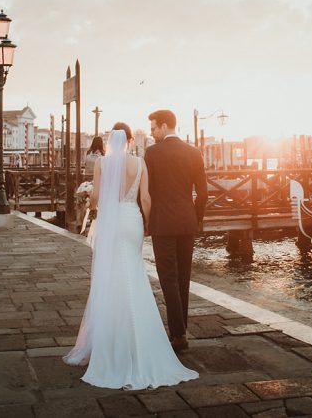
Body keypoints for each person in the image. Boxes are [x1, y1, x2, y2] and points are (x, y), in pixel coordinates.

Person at [63, 124, 197, 389]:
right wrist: (147, 223)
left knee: (110, 276)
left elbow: (98, 198)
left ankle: (110, 341)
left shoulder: (102, 162)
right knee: (134, 275)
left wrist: (89, 201)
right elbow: (145, 198)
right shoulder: (140, 162)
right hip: (132, 220)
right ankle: (142, 342)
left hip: (111, 221)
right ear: (130, 140)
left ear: (111, 139)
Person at [143, 109, 207, 352]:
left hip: (162, 223)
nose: (152, 133)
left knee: (168, 277)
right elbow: (203, 192)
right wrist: (197, 218)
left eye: (153, 128)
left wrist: (145, 219)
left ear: (164, 125)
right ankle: (181, 330)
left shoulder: (152, 153)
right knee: (183, 277)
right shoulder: (193, 152)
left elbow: (146, 192)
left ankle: (179, 334)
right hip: (186, 222)